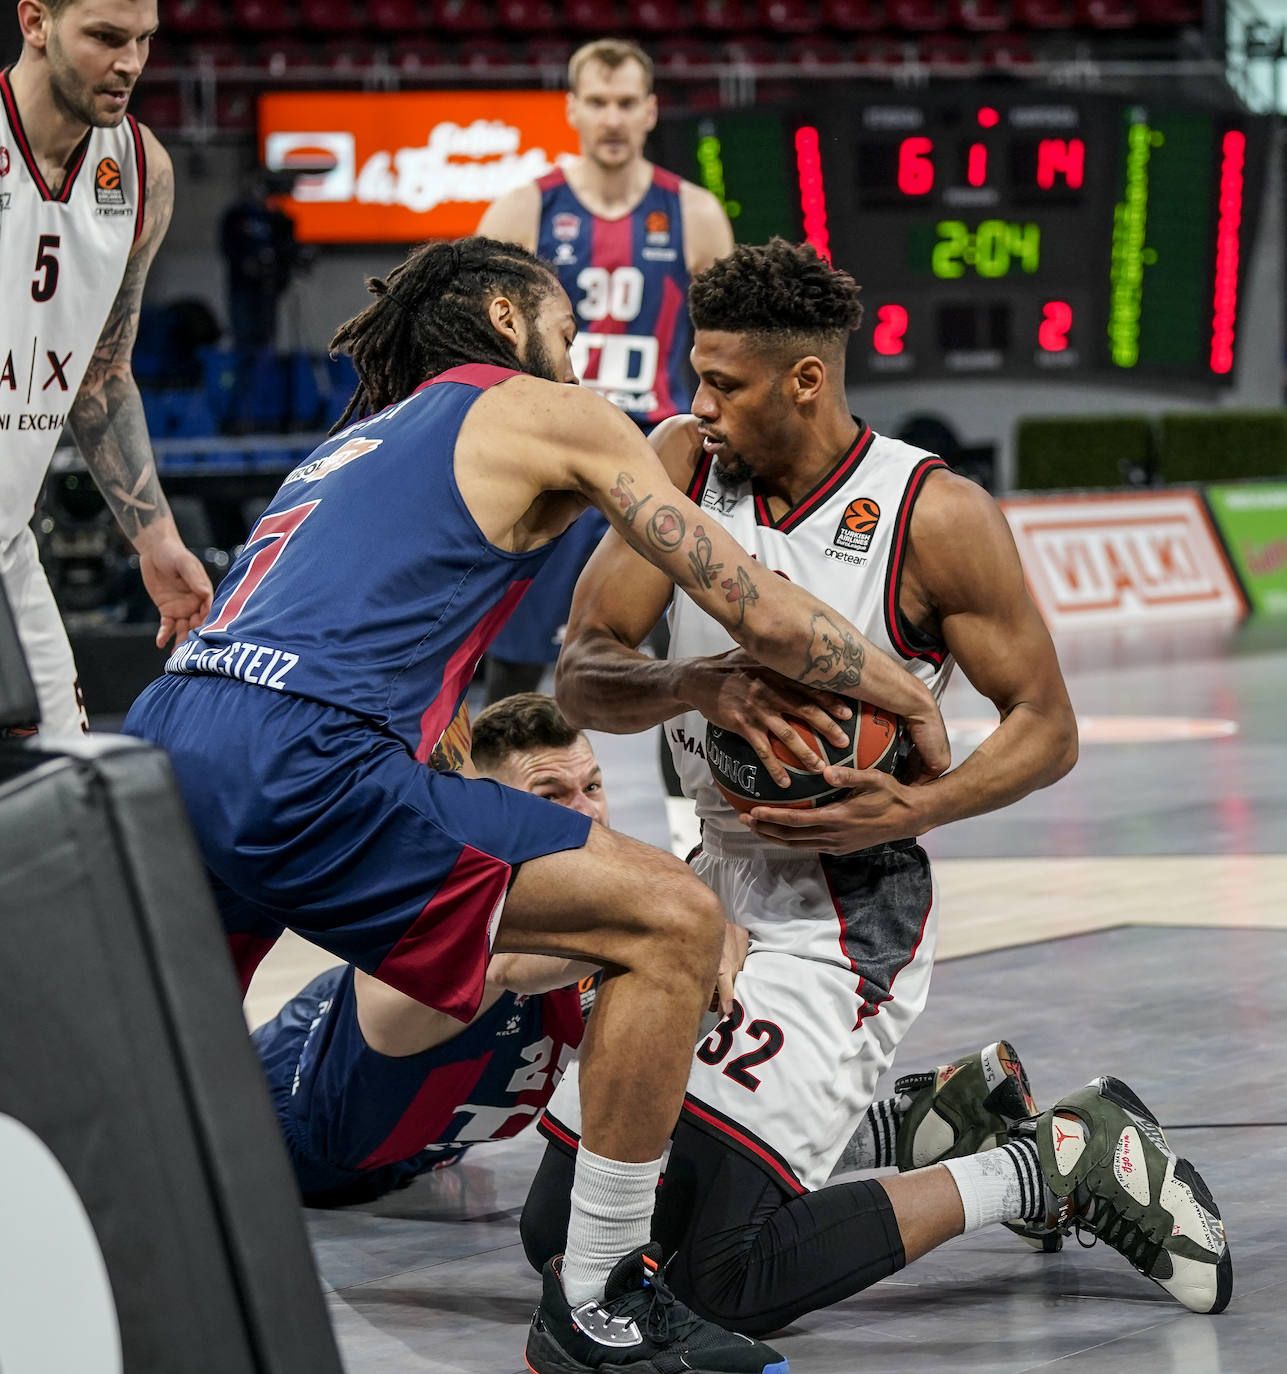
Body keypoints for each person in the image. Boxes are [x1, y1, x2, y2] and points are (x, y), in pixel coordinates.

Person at [123, 234, 950, 1374]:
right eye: (563, 324)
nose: (577, 351)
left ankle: (107, 1282)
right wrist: (906, 689)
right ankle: (602, 1301)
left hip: (169, 730)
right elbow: (749, 600)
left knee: (162, 1065)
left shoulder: (353, 439)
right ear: (510, 321)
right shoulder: (545, 408)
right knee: (672, 921)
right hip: (304, 755)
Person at [521, 239, 1233, 1333]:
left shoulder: (933, 516)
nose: (698, 403)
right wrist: (695, 683)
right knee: (560, 1236)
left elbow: (1048, 728)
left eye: (725, 383)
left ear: (806, 379)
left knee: (718, 1281)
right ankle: (921, 1120)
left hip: (844, 918)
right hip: (705, 888)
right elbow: (583, 669)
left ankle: (1056, 1162)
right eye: (696, 375)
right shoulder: (677, 464)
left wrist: (916, 806)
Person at [252, 693, 607, 1208]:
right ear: (489, 809)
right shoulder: (432, 921)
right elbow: (512, 964)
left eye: (592, 786)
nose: (589, 814)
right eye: (551, 796)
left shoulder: (588, 902)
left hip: (411, 1141)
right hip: (278, 1113)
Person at [476, 37, 734, 703]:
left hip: (657, 456)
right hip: (550, 458)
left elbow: (728, 351)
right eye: (598, 102)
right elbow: (474, 345)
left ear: (650, 112)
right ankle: (507, 801)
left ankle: (689, 813)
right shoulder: (524, 209)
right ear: (572, 110)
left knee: (683, 658)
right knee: (514, 654)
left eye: (625, 103)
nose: (612, 118)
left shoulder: (696, 215)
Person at [0, 0, 212, 740]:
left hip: (8, 546)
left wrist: (154, 539)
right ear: (35, 22)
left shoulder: (141, 168)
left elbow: (101, 371)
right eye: (104, 37)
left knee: (60, 797)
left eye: (144, 40)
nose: (129, 62)